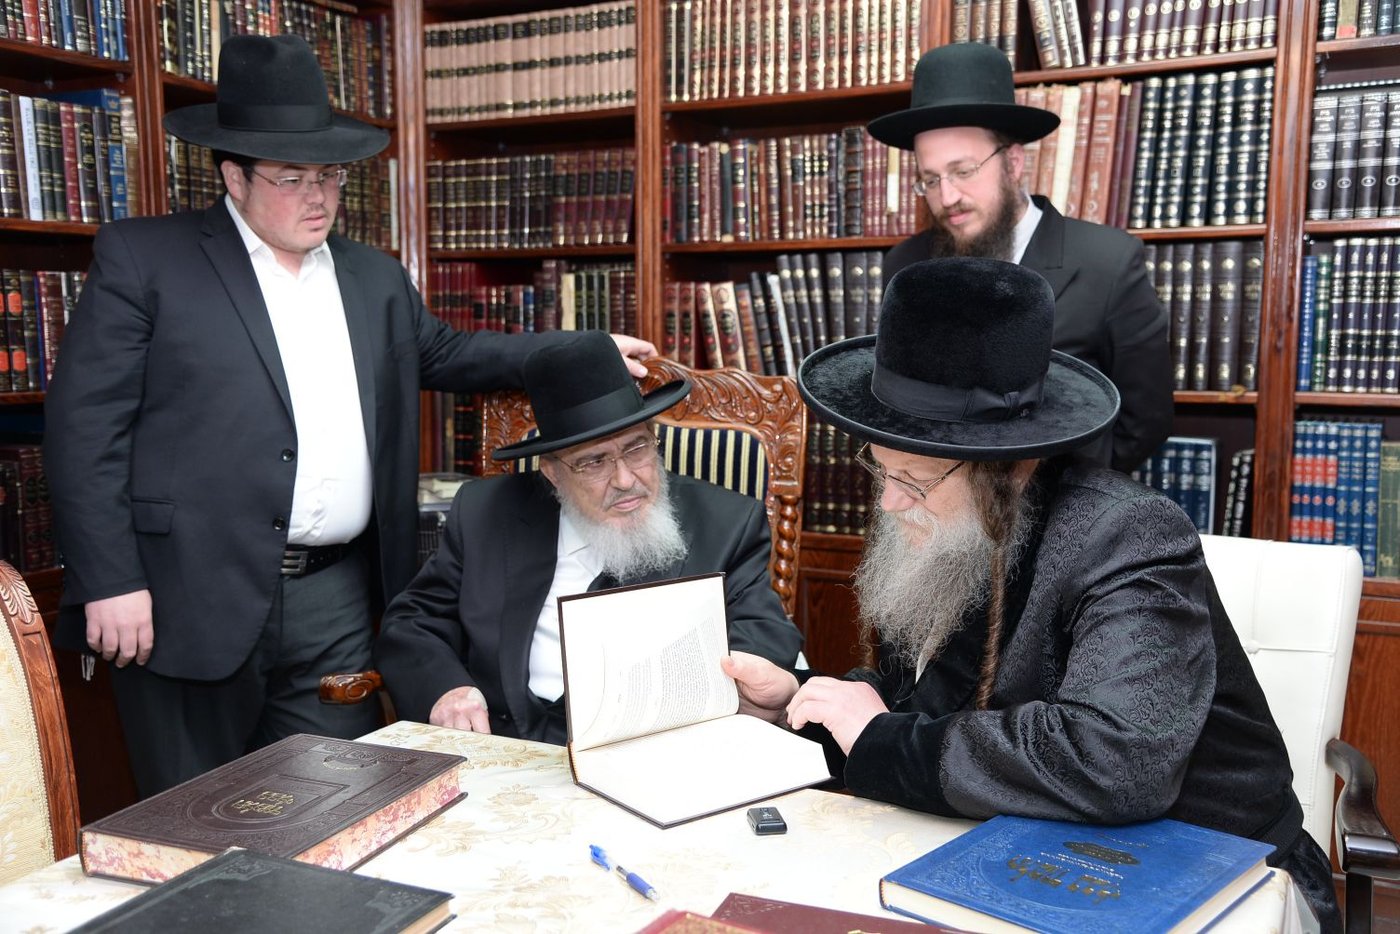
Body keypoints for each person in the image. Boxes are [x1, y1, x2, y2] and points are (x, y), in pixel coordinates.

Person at [42, 35, 655, 798]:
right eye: (291, 178)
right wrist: (111, 579)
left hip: (337, 598)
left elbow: (450, 353)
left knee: (343, 805)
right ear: (234, 175)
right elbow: (84, 430)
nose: (318, 197)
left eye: (329, 176)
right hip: (182, 596)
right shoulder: (147, 260)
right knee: (193, 820)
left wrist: (583, 349)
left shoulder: (375, 278)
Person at [722, 258, 1340, 931]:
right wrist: (802, 704)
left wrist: (881, 741)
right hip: (1015, 844)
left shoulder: (1129, 533)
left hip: (1205, 868)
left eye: (914, 480)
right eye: (882, 469)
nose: (891, 502)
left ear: (1010, 468)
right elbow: (924, 694)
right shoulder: (946, 521)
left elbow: (1117, 760)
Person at [374, 331, 803, 744]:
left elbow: (764, 630)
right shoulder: (486, 512)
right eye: (594, 462)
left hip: (650, 753)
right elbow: (413, 622)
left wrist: (737, 677)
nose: (625, 479)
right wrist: (446, 689)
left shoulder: (726, 522)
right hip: (503, 753)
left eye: (636, 448)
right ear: (552, 472)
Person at [870, 42, 1173, 474]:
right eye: (930, 179)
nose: (948, 197)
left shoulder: (1109, 262)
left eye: (963, 171)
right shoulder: (906, 266)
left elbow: (1145, 422)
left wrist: (1068, 494)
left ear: (1013, 163)